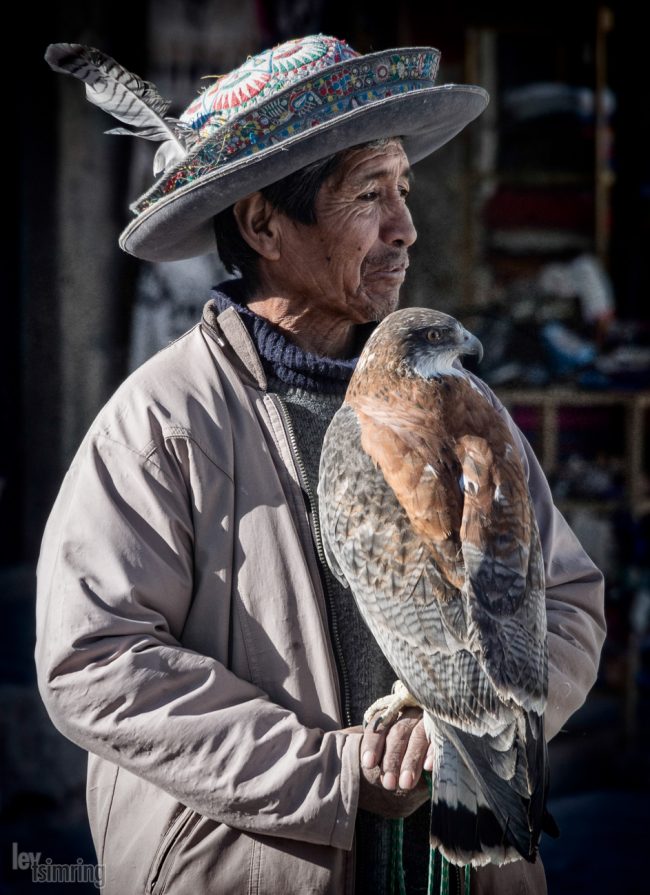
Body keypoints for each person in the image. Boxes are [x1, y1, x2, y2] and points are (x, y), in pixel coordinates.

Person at [37, 34, 606, 895]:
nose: (406, 226)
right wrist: (338, 776)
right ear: (264, 222)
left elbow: (565, 600)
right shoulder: (163, 423)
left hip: (469, 857)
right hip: (256, 866)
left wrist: (477, 729)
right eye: (369, 194)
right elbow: (96, 662)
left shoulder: (465, 406)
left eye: (404, 190)